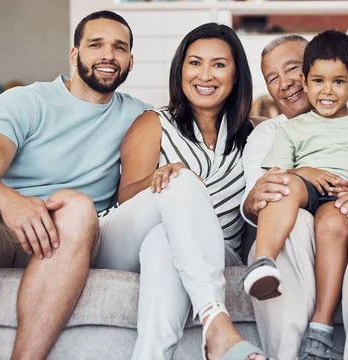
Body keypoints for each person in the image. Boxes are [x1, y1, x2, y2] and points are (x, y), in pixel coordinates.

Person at [93, 23, 265, 360]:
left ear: (236, 75)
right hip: (126, 241)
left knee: (164, 242)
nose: (205, 75)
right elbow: (127, 196)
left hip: (215, 249)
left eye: (219, 64)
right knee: (180, 183)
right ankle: (217, 323)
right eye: (195, 63)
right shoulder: (154, 122)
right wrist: (164, 176)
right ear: (181, 70)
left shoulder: (256, 135)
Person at [242, 34, 348, 360]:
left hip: (344, 195)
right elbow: (268, 184)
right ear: (309, 80)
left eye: (290, 68)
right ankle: (262, 263)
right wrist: (303, 173)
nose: (286, 83)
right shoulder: (282, 131)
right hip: (301, 190)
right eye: (272, 78)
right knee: (283, 189)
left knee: (336, 223)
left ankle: (325, 327)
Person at [0, 11, 150, 359]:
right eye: (96, 45)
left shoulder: (142, 118)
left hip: (74, 238)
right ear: (74, 54)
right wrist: (8, 198)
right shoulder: (27, 102)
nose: (108, 55)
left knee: (76, 205)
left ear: (130, 61)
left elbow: (204, 121)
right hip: (7, 229)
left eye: (119, 48)